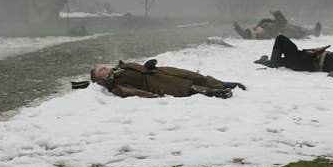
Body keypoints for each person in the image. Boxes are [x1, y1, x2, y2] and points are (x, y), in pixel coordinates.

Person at [90, 59, 246, 98]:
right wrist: (153, 95)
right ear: (100, 79)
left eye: (102, 66)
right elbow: (132, 91)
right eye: (100, 70)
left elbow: (141, 68)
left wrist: (148, 66)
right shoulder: (115, 83)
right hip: (154, 82)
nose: (103, 68)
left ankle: (221, 84)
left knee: (192, 75)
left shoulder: (121, 67)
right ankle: (216, 93)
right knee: (185, 86)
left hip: (158, 71)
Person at [254, 35, 333, 80]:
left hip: (301, 61)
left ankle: (272, 63)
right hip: (302, 58)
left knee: (281, 39)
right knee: (281, 61)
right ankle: (265, 61)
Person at [233, 10, 321, 40]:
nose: (256, 27)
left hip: (288, 29)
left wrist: (237, 27)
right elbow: (283, 22)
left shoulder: (262, 28)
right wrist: (276, 13)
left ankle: (315, 32)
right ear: (258, 34)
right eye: (256, 29)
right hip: (290, 31)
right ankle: (315, 32)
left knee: (303, 30)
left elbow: (245, 35)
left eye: (255, 28)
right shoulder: (269, 31)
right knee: (302, 31)